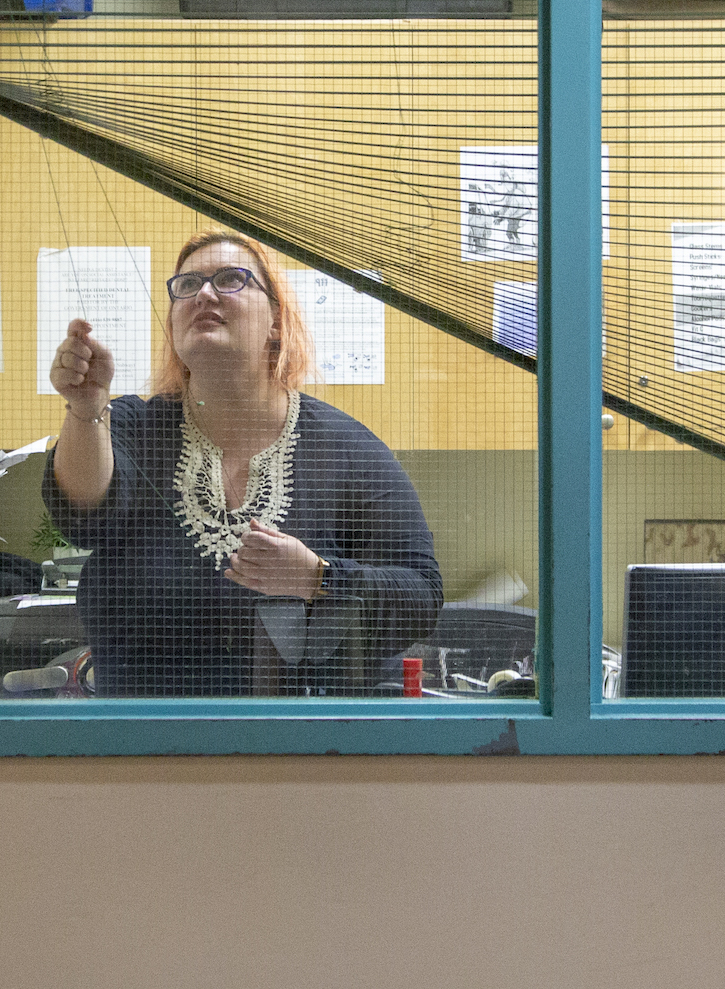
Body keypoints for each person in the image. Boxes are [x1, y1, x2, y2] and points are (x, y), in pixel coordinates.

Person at [42, 230, 441, 695]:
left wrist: (319, 579)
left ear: (276, 319)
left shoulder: (348, 448)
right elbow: (81, 515)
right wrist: (87, 408)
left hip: (300, 750)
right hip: (146, 747)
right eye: (187, 285)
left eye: (231, 279)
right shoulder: (131, 426)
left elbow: (421, 596)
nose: (204, 293)